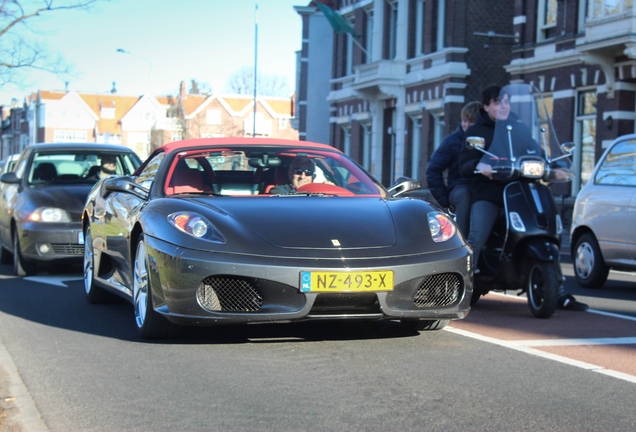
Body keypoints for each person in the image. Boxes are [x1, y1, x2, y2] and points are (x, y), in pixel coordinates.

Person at [460, 85, 587, 311]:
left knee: (546, 228)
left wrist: (554, 167)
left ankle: (557, 291)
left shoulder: (518, 128)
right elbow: (465, 165)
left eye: (507, 102)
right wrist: (479, 164)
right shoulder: (477, 132)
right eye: (498, 102)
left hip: (521, 192)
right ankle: (462, 287)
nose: (504, 106)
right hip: (490, 194)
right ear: (487, 106)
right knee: (477, 235)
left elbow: (537, 153)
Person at [426, 101, 481, 237]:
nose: (466, 125)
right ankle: (462, 239)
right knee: (465, 194)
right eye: (464, 121)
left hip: (482, 187)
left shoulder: (490, 140)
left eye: (471, 122)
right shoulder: (452, 142)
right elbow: (433, 170)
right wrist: (444, 200)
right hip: (459, 187)